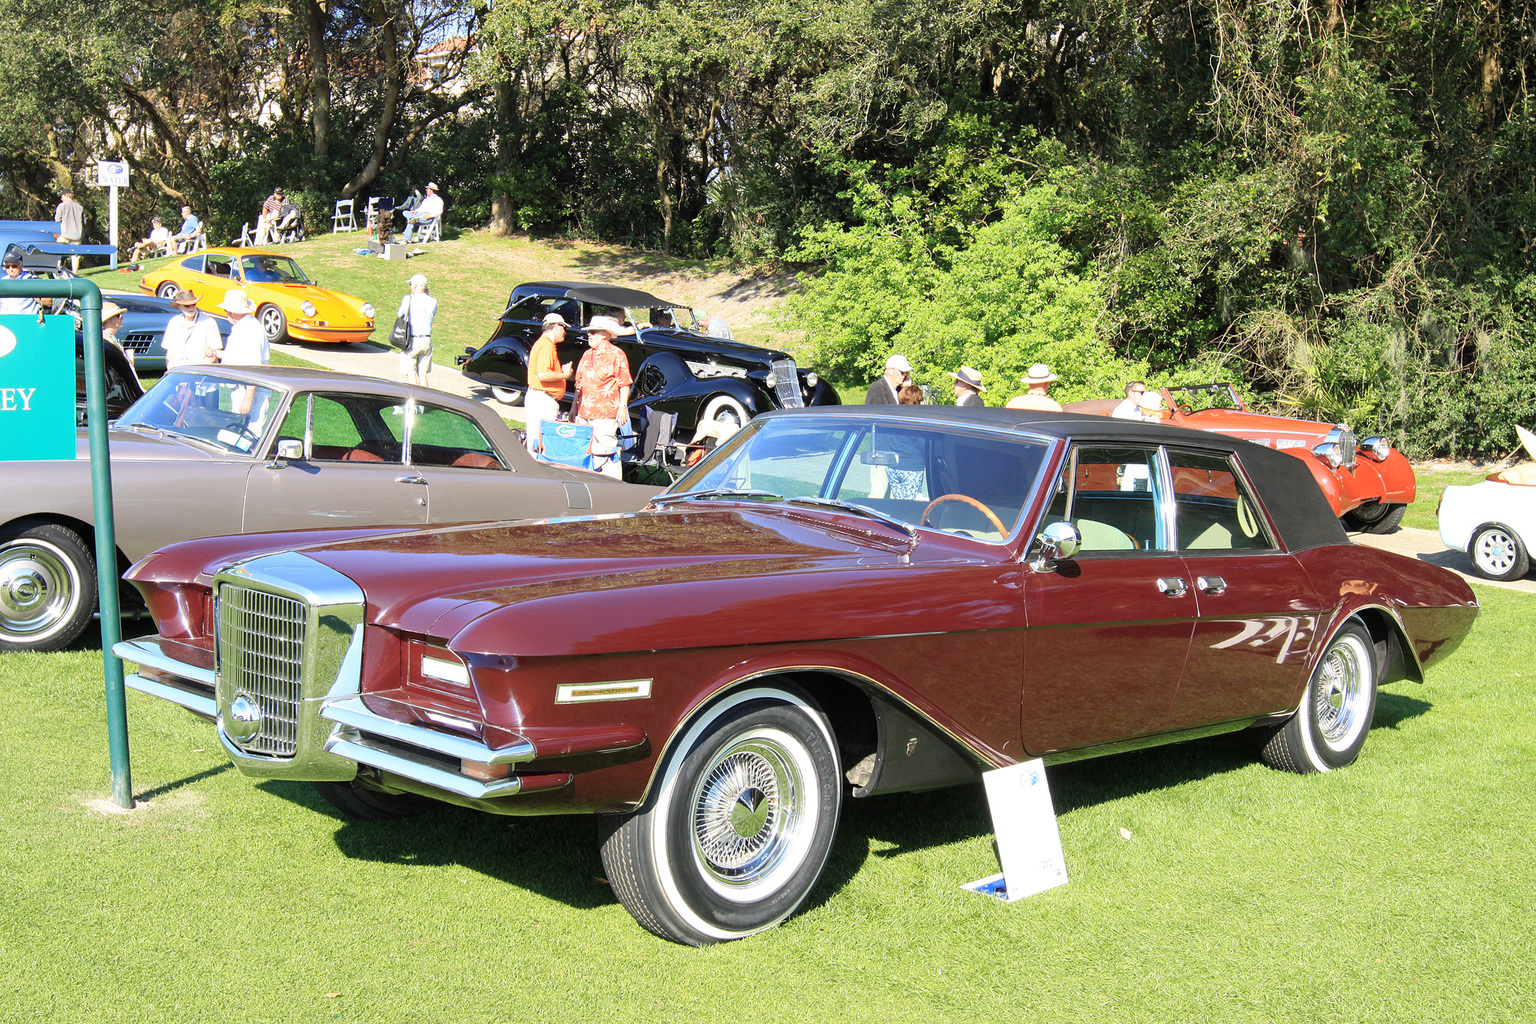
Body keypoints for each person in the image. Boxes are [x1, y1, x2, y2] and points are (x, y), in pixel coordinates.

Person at [571, 314, 633, 479]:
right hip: (583, 413)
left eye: (593, 332)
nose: (589, 335)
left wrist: (623, 407)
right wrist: (573, 407)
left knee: (607, 450)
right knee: (583, 450)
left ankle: (613, 485)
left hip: (605, 414)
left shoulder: (616, 354)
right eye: (589, 332)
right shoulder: (586, 355)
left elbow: (625, 383)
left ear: (605, 334)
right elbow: (579, 384)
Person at [525, 312, 573, 453]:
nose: (565, 332)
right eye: (563, 328)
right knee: (540, 443)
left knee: (537, 440)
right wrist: (564, 375)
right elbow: (543, 374)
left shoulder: (543, 343)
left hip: (540, 398)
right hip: (542, 400)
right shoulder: (547, 346)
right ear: (556, 327)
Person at [161, 289, 223, 369]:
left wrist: (197, 372)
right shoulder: (174, 322)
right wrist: (171, 370)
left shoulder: (209, 322)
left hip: (202, 372)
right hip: (178, 371)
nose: (191, 308)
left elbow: (213, 354)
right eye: (187, 306)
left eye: (193, 304)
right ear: (179, 306)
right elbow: (170, 352)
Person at [397, 273, 438, 386]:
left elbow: (400, 314)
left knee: (411, 372)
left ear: (415, 286)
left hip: (412, 340)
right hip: (426, 339)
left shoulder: (408, 299)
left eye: (411, 284)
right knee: (423, 373)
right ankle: (425, 397)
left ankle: (414, 397)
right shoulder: (433, 301)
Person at [0, 246, 41, 314]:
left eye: (14, 266)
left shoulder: (32, 280)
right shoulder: (2, 281)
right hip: (5, 321)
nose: (11, 269)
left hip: (26, 320)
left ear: (21, 265)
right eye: (7, 266)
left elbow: (47, 302)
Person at [53, 189, 85, 271]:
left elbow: (57, 219)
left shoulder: (62, 206)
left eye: (62, 196)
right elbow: (84, 222)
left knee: (57, 252)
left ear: (67, 195)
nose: (61, 199)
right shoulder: (80, 207)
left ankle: (57, 269)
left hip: (64, 234)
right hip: (77, 235)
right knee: (75, 255)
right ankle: (74, 273)